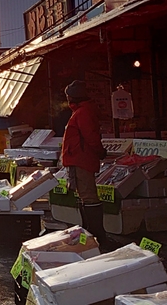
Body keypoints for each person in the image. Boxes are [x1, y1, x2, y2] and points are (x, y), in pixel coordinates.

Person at [60, 80, 108, 247]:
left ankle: (96, 235)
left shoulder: (83, 113)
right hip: (79, 159)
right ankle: (90, 231)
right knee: (84, 195)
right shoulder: (81, 111)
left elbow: (91, 136)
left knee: (88, 195)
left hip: (82, 159)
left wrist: (99, 151)